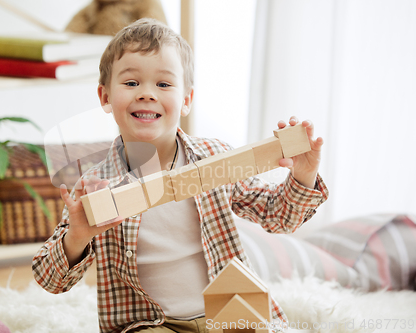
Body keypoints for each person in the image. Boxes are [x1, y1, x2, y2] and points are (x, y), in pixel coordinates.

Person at [32, 18, 328, 333]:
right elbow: (50, 280)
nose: (146, 93)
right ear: (105, 96)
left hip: (231, 315)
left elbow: (278, 217)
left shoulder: (216, 158)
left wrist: (303, 176)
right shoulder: (95, 188)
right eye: (131, 83)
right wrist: (77, 236)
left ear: (186, 100)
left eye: (163, 84)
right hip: (152, 324)